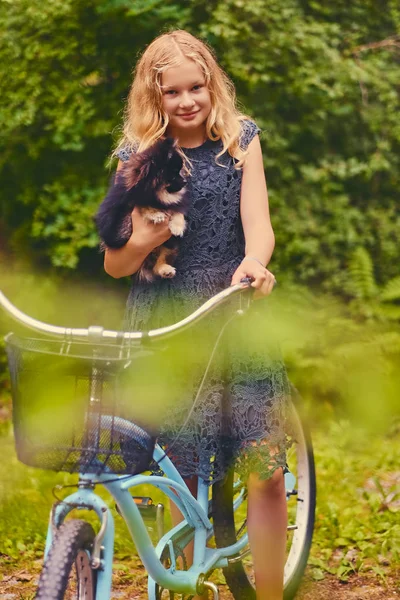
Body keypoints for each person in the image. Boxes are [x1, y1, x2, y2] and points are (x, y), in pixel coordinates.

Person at [102, 29, 291, 600]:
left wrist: (254, 264)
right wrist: (143, 242)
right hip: (168, 325)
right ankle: (188, 585)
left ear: (212, 85)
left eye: (196, 87)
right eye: (172, 93)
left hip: (232, 312)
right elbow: (115, 262)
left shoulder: (240, 141)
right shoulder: (136, 159)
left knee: (266, 465)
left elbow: (259, 225)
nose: (187, 101)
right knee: (179, 472)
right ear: (152, 97)